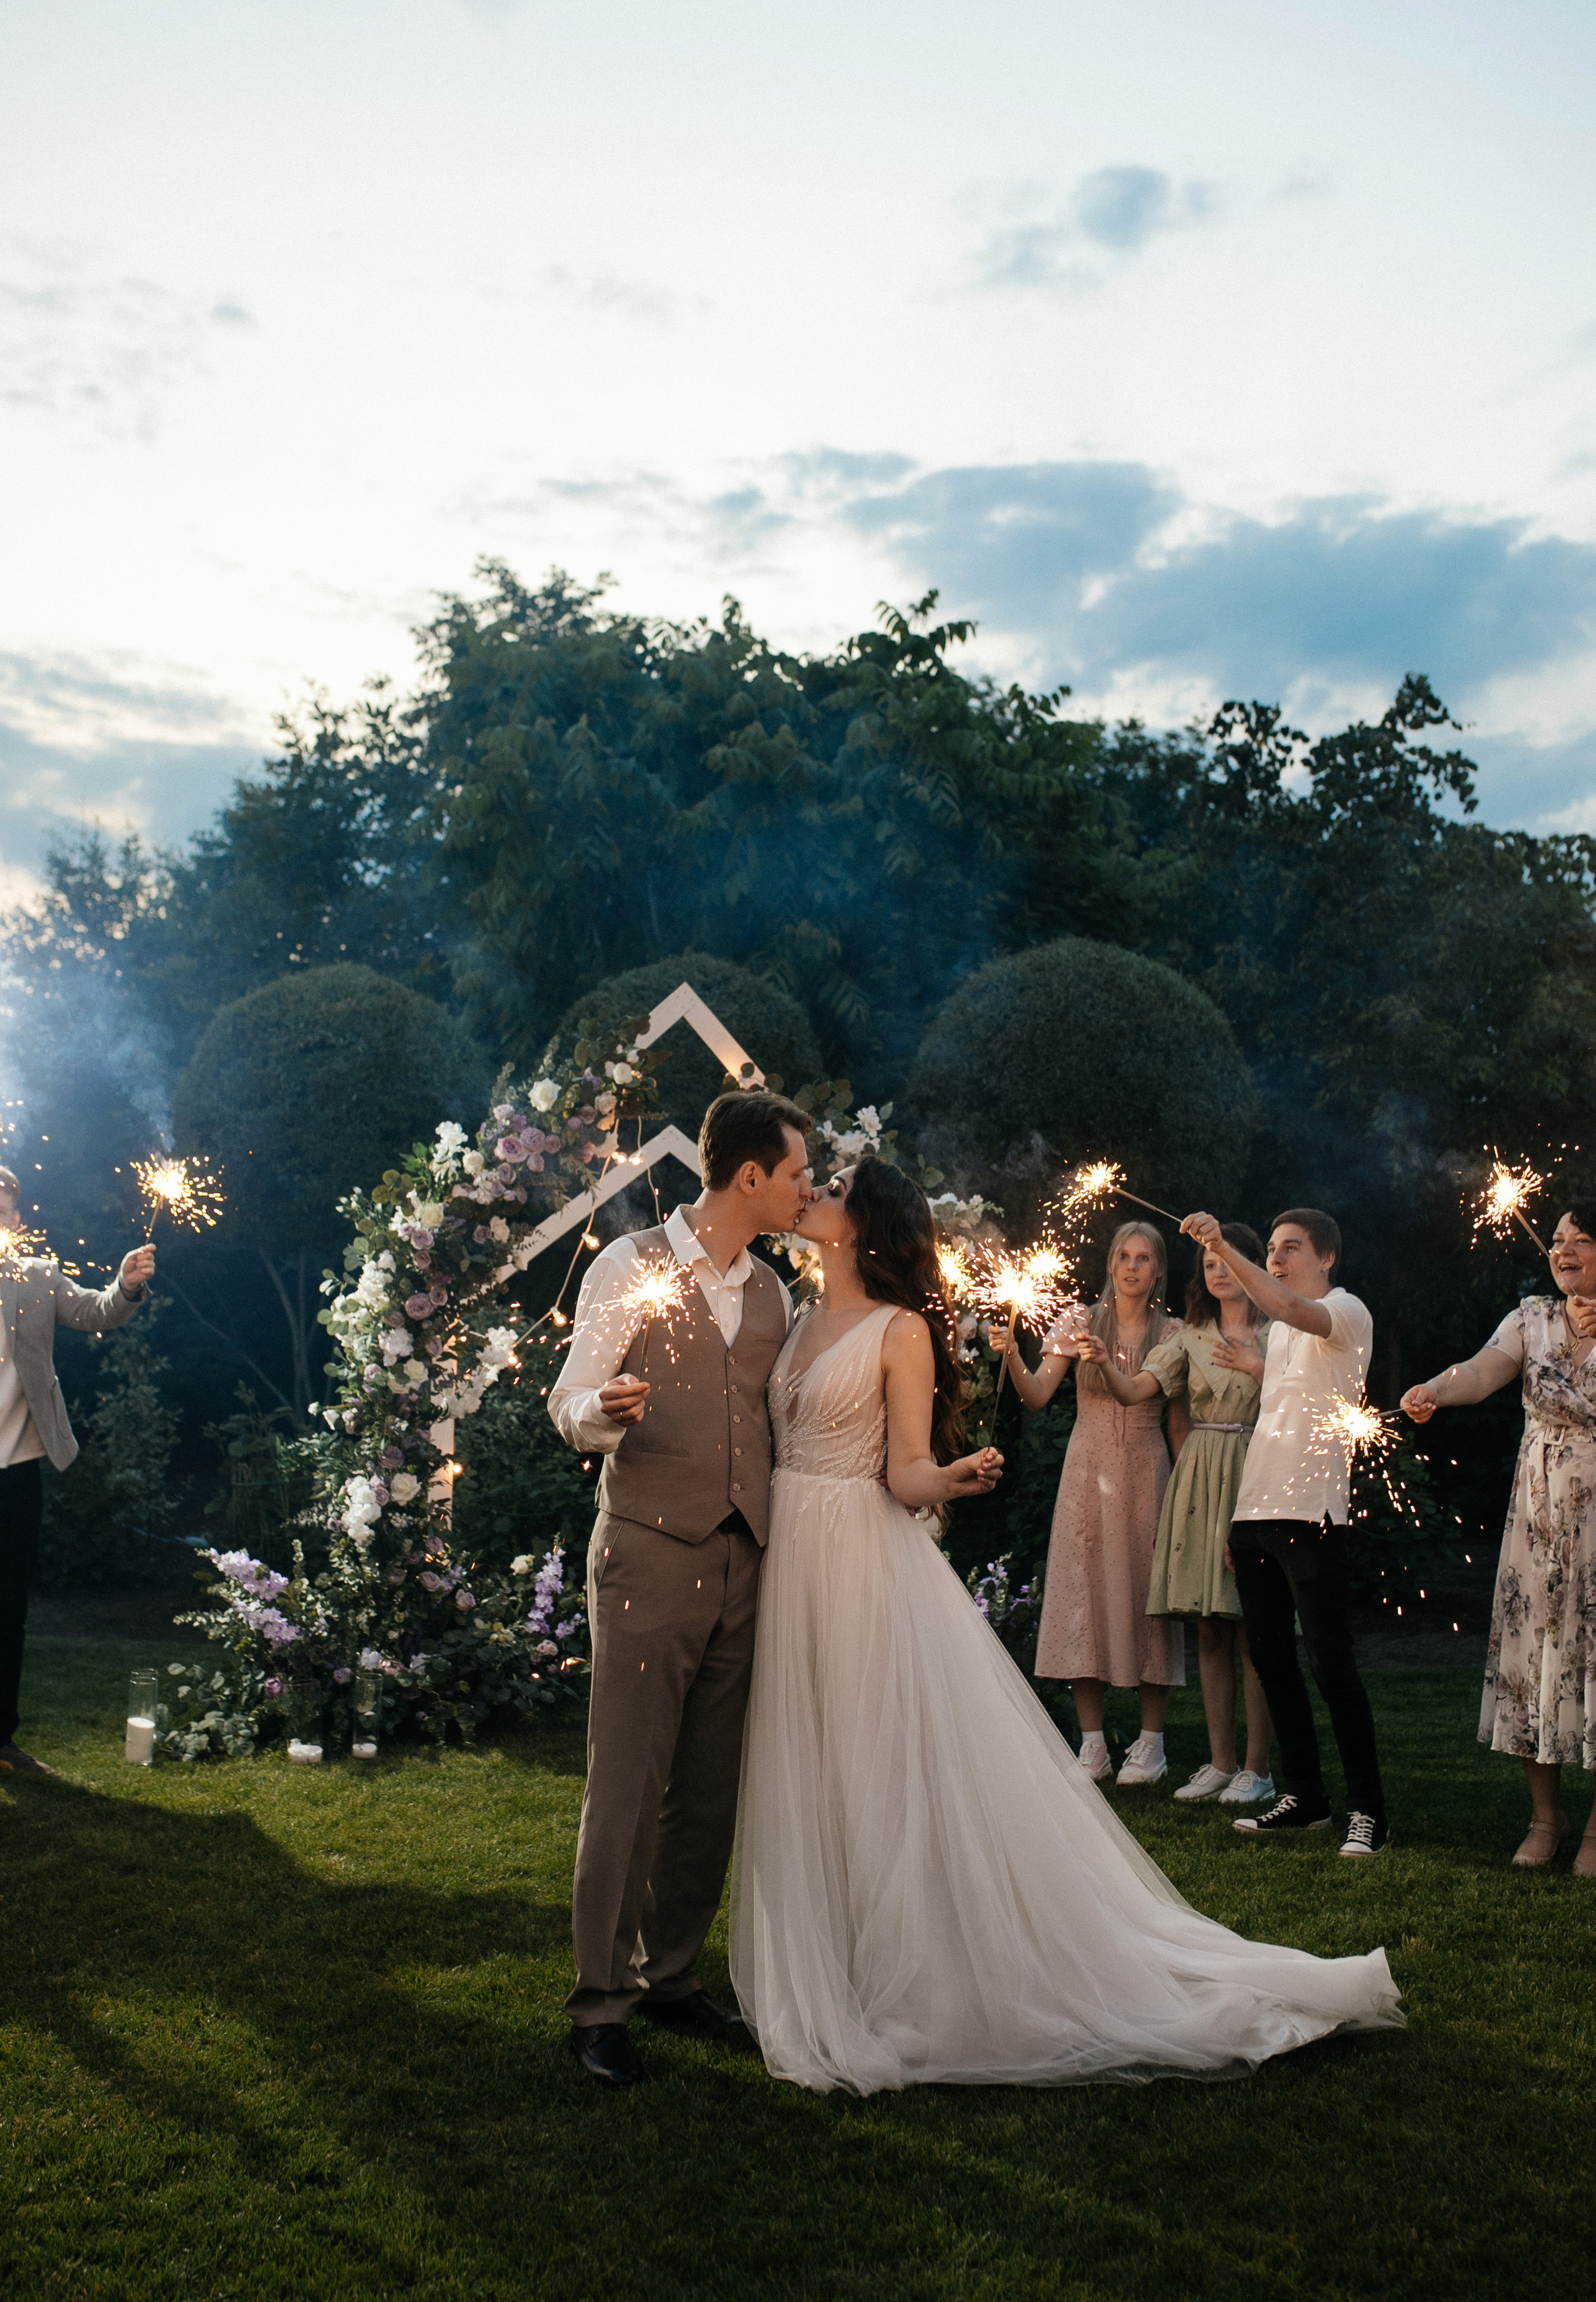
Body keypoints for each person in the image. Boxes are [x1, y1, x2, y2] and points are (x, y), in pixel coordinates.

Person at [729, 1159, 1401, 2094]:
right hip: (799, 1553)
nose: (817, 1194)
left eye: (837, 1187)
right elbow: (1036, 1394)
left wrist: (952, 1478)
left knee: (883, 1748)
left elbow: (911, 1467)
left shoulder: (910, 1330)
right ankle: (836, 1946)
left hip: (870, 1550)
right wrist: (1021, 1359)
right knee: (816, 1751)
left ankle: (1277, 1781)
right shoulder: (795, 1319)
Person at [547, 1089, 813, 2086]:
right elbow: (568, 1396)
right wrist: (602, 1412)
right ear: (750, 1175)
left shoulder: (775, 1294)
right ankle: (599, 2005)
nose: (804, 1191)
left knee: (708, 1788)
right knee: (628, 1784)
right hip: (650, 1553)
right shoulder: (629, 1266)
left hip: (746, 1558)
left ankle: (672, 1977)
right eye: (794, 1174)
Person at [1181, 1207, 1389, 1858]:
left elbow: (1291, 1309)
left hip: (1313, 1510)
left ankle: (1369, 1811)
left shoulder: (1346, 1310)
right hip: (1257, 1511)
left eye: (1289, 1248)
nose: (1275, 1258)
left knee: (1330, 1663)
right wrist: (1238, 1516)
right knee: (1269, 1659)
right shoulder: (1276, 1337)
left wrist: (1220, 1244)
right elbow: (1287, 1403)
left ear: (1326, 1256)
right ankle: (1305, 1796)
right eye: (1270, 1248)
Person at [1401, 1202, 1596, 1876]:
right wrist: (1434, 1386)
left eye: (1581, 1241)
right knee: (1535, 1654)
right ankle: (1545, 1817)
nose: (1562, 1249)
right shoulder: (1531, 1316)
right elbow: (1482, 1369)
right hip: (1540, 1517)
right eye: (1558, 1240)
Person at [1079, 1223, 1276, 1806]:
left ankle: (1257, 1768)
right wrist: (1104, 1363)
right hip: (1200, 1477)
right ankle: (1219, 1764)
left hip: (1254, 1470)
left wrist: (1259, 1366)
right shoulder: (1190, 1336)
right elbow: (1138, 1389)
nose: (1216, 1271)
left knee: (1253, 1631)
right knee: (1211, 1627)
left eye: (1226, 1261)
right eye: (1208, 1263)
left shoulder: (1279, 1335)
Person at [1002, 1222, 1186, 1786]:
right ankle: (1094, 1745)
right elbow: (1036, 1396)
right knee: (1085, 1592)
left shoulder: (1172, 1331)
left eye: (1144, 1258)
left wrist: (1186, 1490)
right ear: (1109, 1265)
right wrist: (1010, 1355)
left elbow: (1175, 1420)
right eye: (1123, 1256)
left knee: (1148, 1596)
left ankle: (1151, 1746)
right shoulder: (1079, 1322)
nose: (1132, 1267)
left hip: (1146, 1471)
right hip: (1088, 1470)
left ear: (1157, 1270)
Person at [0, 1164, 155, 1777]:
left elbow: (96, 1311)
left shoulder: (37, 1277)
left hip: (16, 1474)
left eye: (7, 1207)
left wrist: (124, 1284)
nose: (3, 1217)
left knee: (7, 1608)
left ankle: (0, 1740)